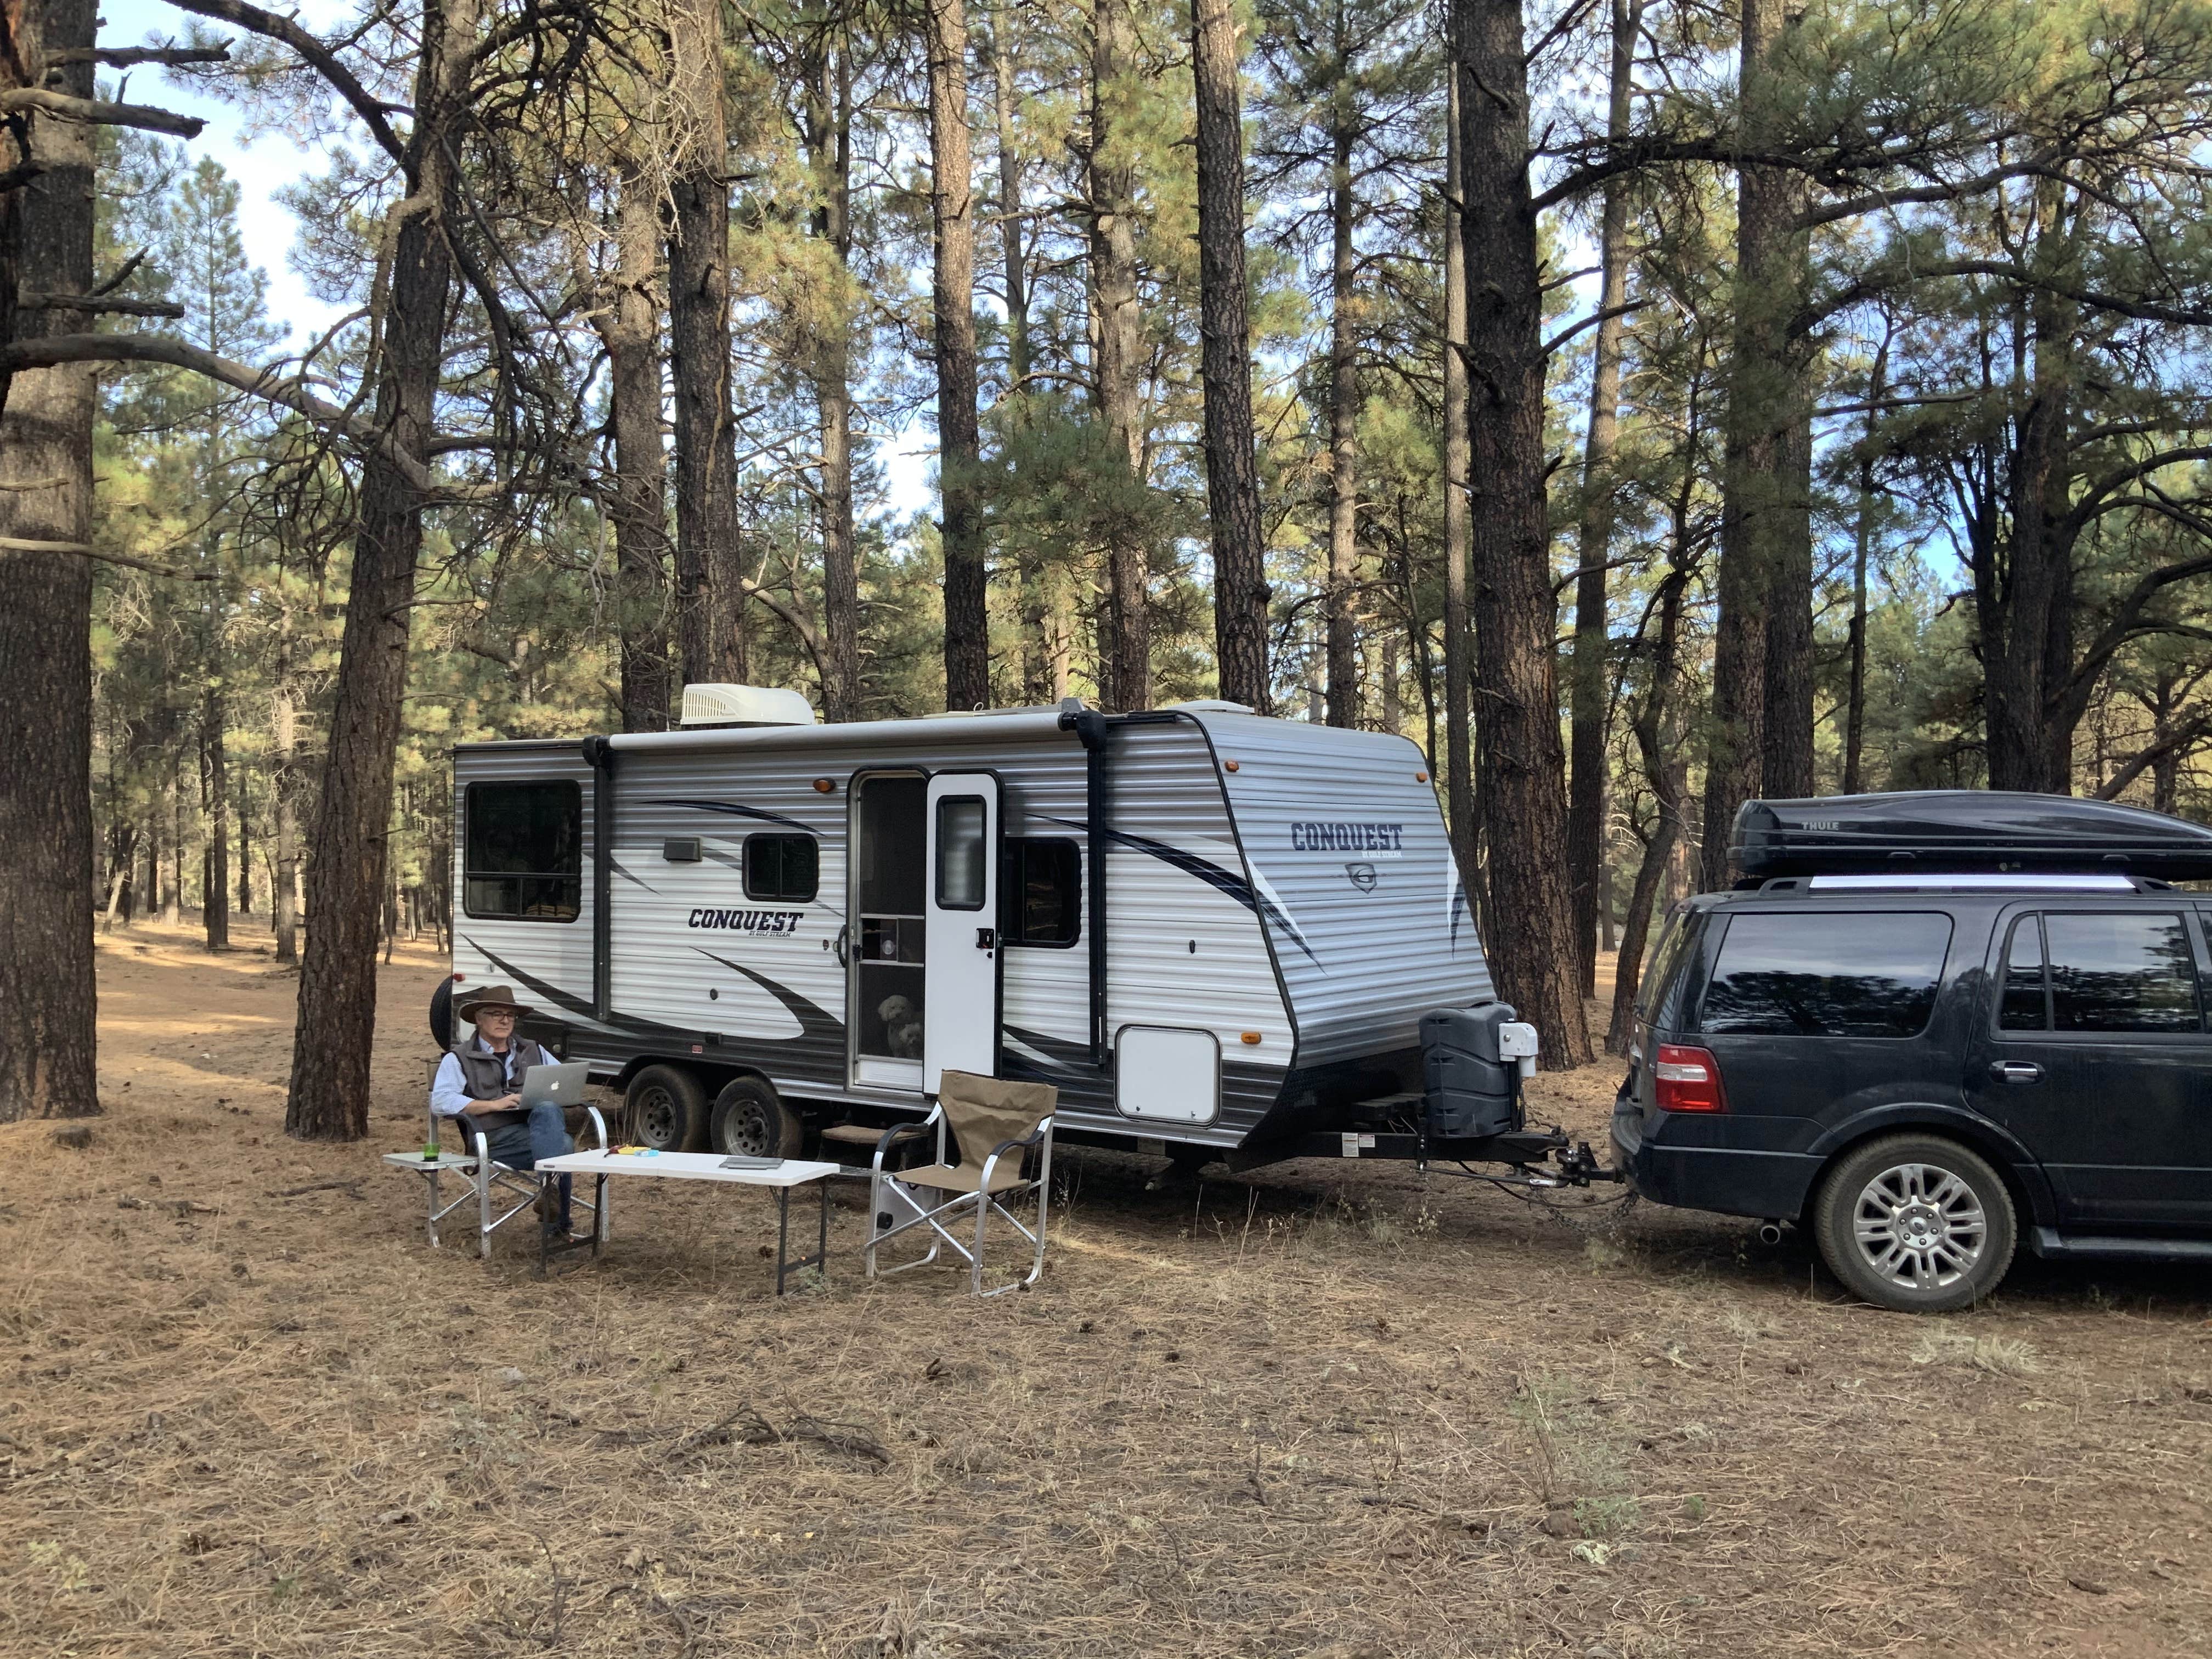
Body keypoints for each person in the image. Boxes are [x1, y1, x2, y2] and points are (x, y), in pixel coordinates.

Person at [430, 985, 574, 1232]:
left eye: (510, 1015)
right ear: (478, 1019)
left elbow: (561, 1081)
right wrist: (492, 1104)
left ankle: (549, 1192)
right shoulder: (459, 1058)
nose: (504, 1020)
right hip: (491, 1139)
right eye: (496, 1014)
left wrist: (543, 1095)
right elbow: (441, 1101)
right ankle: (557, 1226)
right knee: (564, 1146)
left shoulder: (533, 1050)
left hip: (534, 1132)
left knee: (549, 1111)